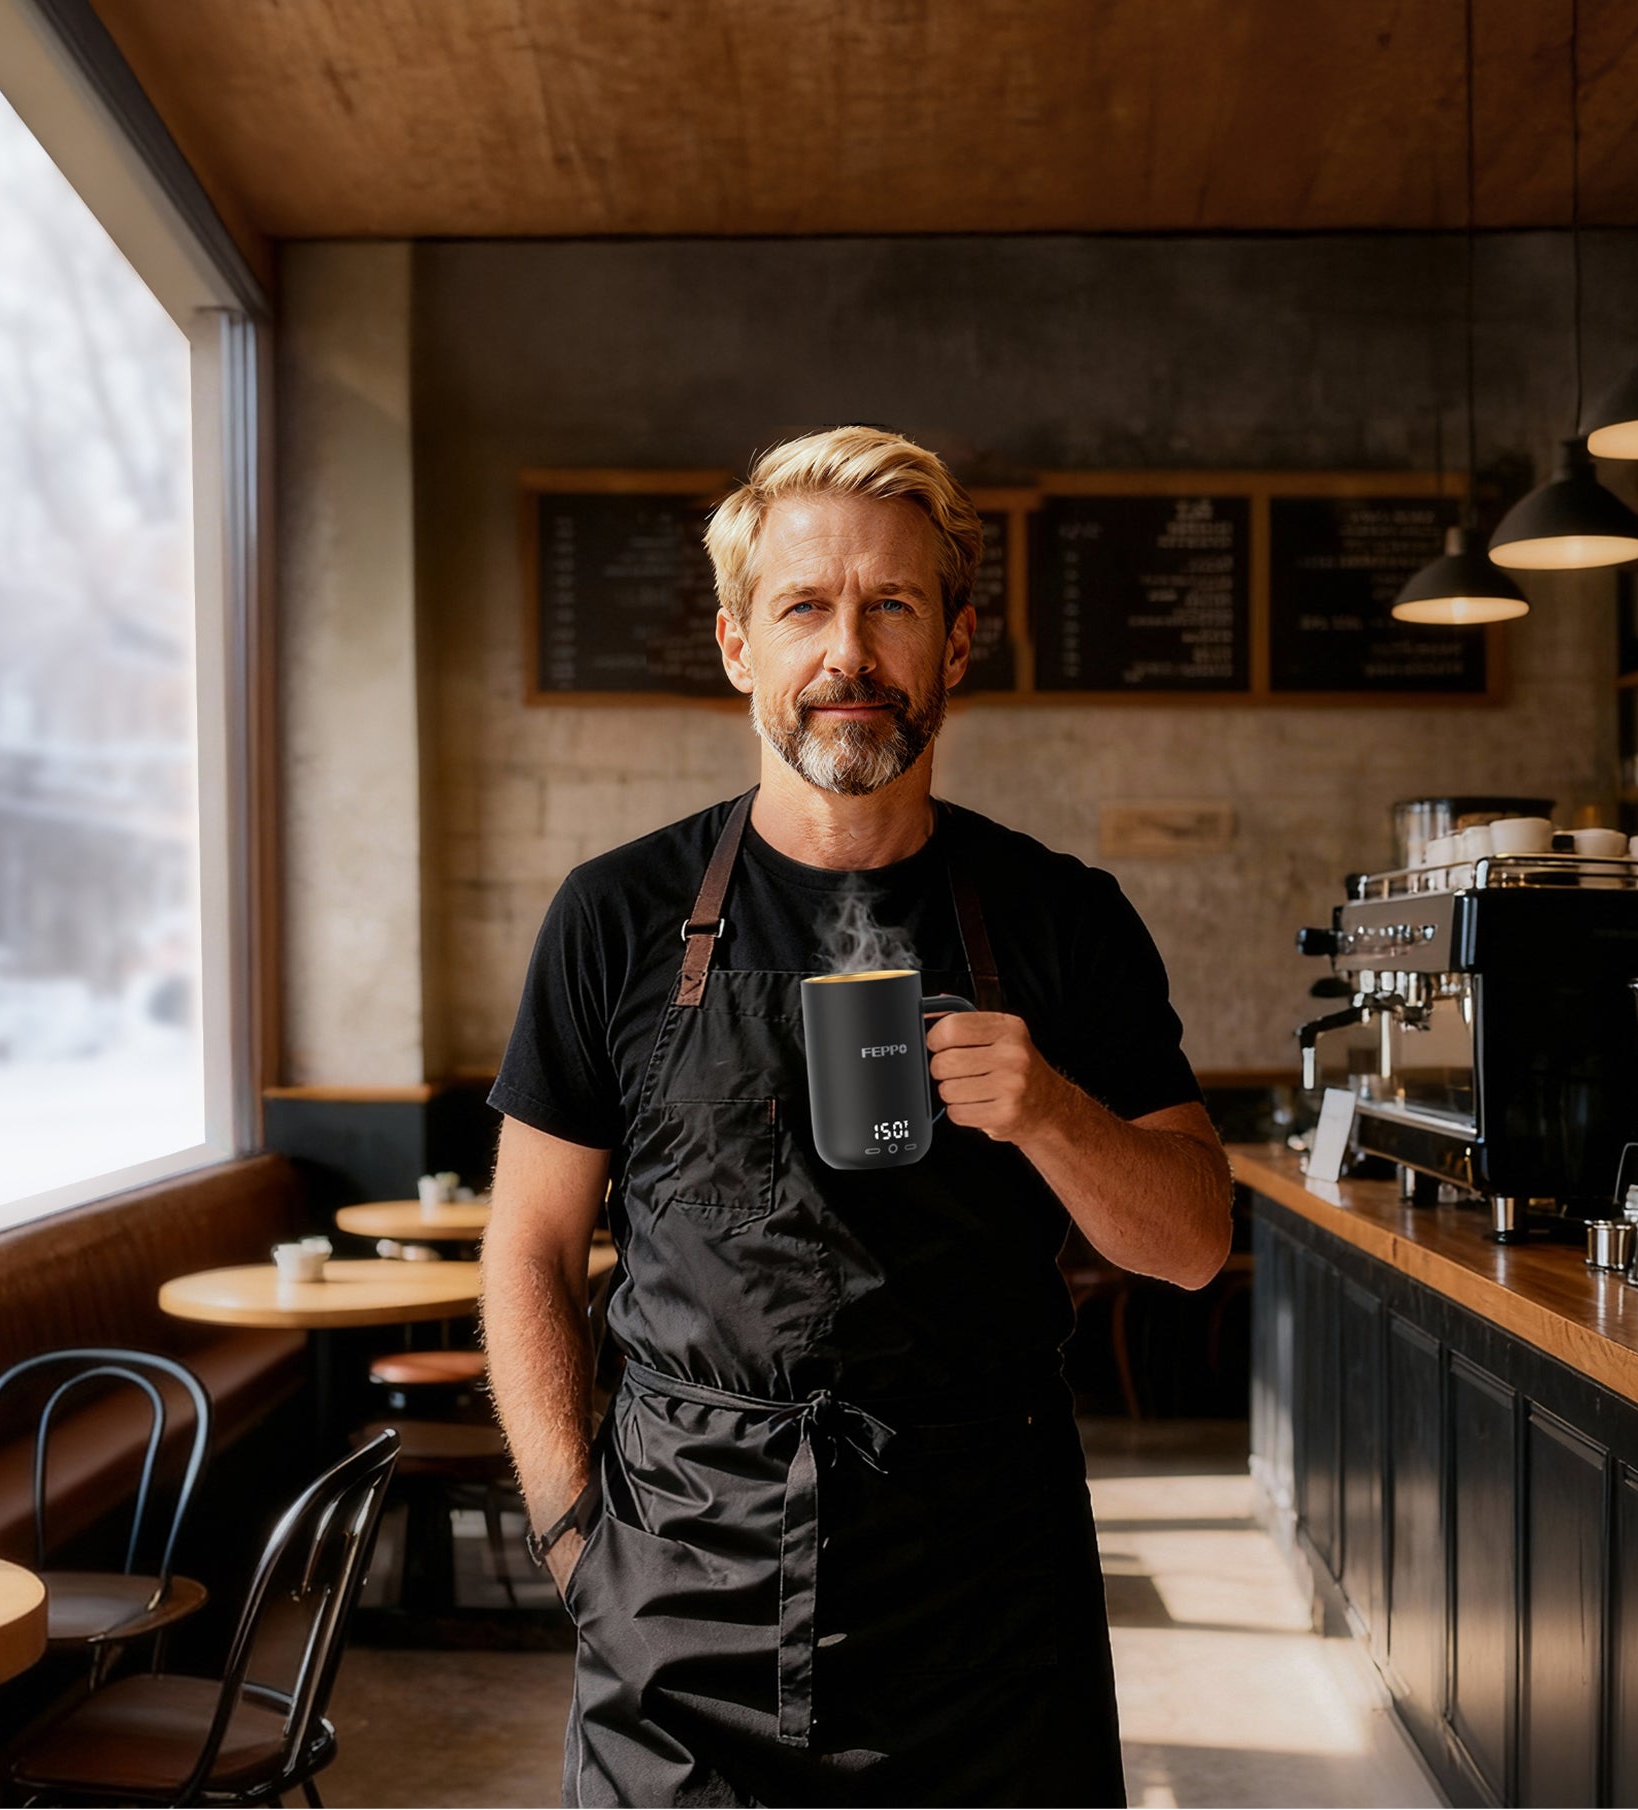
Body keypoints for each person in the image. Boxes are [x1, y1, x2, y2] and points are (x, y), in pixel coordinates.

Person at [480, 426, 1232, 1806]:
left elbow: (1189, 1242)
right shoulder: (615, 916)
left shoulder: (1061, 919)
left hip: (985, 1597)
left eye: (891, 605)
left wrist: (1050, 1109)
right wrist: (571, 1532)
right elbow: (528, 1242)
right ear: (736, 646)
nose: (849, 653)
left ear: (953, 646)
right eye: (804, 607)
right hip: (679, 1588)